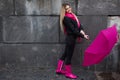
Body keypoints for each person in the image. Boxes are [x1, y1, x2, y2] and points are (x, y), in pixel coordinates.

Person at [56, 3, 89, 79]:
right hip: (70, 39)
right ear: (64, 11)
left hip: (72, 38)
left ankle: (58, 70)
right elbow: (74, 30)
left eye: (69, 7)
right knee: (69, 56)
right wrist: (83, 36)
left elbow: (79, 26)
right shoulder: (66, 18)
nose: (69, 9)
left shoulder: (73, 16)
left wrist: (82, 31)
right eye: (67, 9)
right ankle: (68, 73)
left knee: (65, 54)